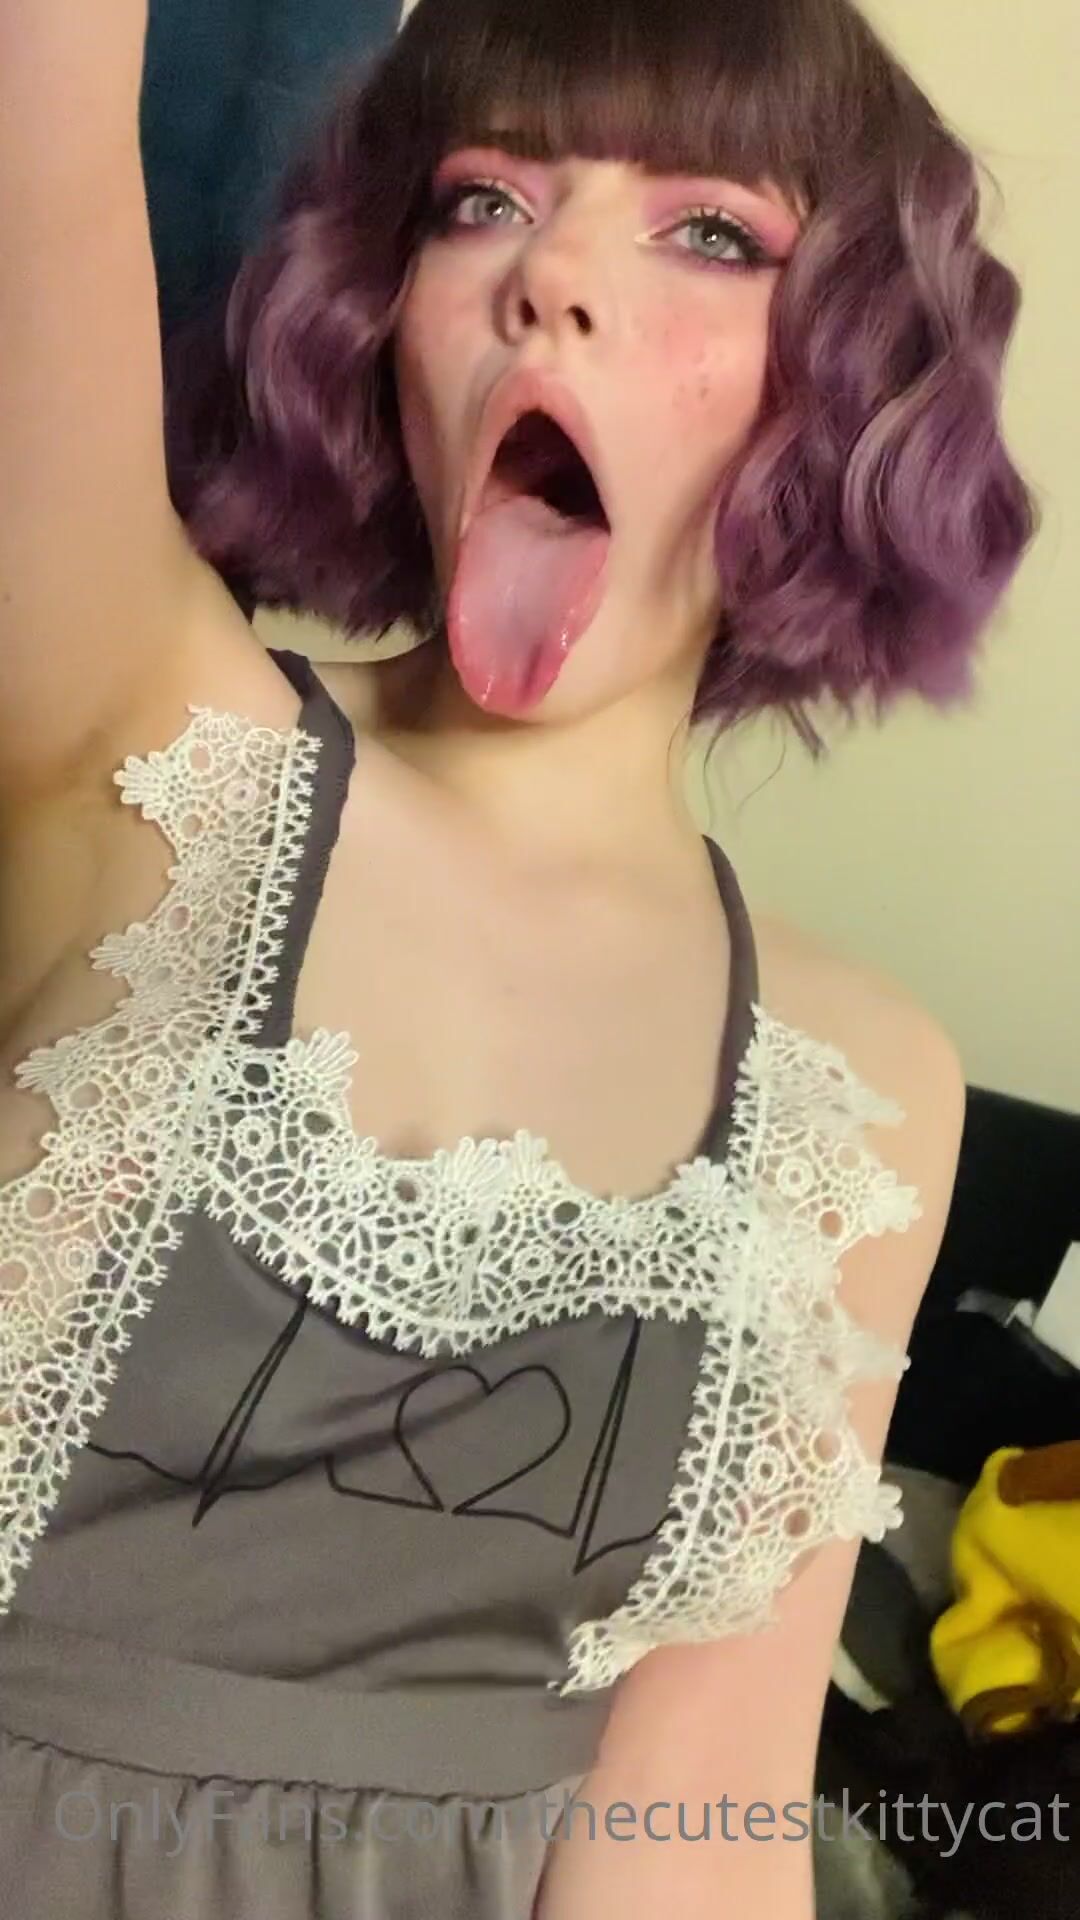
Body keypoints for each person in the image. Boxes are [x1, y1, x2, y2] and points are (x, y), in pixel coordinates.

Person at [0, 0, 1039, 1915]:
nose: (551, 273)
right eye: (483, 200)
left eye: (709, 230)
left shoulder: (865, 1084)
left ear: (851, 379)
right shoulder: (141, 734)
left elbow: (697, 1831)